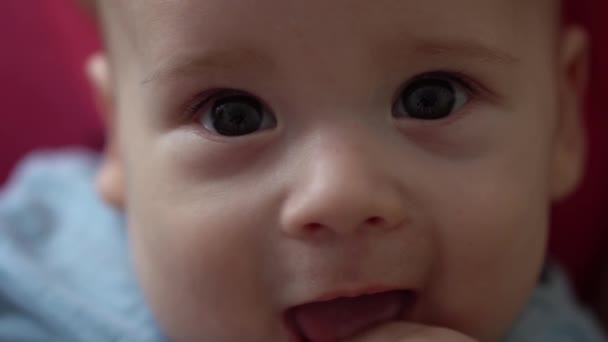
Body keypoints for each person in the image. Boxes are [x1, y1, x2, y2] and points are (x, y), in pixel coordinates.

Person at [0, 0, 605, 340]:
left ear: (561, 122)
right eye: (233, 116)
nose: (337, 196)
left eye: (432, 98)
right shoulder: (34, 281)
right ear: (121, 144)